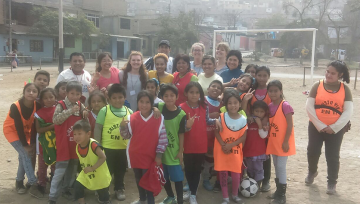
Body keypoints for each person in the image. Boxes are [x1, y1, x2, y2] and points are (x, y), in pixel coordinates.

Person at [305, 60, 353, 195]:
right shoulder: (317, 85)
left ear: (340, 75)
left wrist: (334, 127)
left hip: (335, 130)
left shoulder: (345, 89)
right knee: (312, 151)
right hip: (316, 127)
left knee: (332, 156)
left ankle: (332, 182)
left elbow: (348, 111)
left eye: (333, 73)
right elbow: (309, 107)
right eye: (327, 71)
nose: (329, 75)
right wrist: (320, 125)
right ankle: (312, 171)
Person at [120, 90, 168, 204]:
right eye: (141, 102)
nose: (144, 105)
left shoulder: (158, 118)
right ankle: (142, 199)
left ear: (152, 104)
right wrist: (122, 127)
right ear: (137, 103)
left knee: (149, 181)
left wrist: (159, 155)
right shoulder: (132, 117)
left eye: (147, 102)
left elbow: (163, 139)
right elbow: (126, 135)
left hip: (150, 157)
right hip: (135, 155)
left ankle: (150, 201)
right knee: (138, 179)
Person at [180, 82, 220, 204]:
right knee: (188, 169)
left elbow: (207, 120)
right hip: (187, 145)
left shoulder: (204, 106)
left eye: (197, 92)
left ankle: (193, 194)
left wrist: (216, 120)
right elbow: (181, 129)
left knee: (197, 170)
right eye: (191, 92)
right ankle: (190, 189)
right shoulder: (181, 108)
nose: (194, 95)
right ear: (186, 93)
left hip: (201, 144)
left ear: (200, 94)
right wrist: (187, 126)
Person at [49, 81, 88, 204]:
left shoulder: (80, 105)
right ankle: (52, 197)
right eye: (72, 93)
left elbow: (85, 118)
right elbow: (56, 120)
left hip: (75, 145)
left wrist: (85, 113)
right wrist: (70, 111)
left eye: (77, 94)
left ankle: (66, 190)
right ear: (66, 93)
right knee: (59, 172)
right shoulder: (60, 105)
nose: (74, 96)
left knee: (72, 171)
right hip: (64, 145)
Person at [3, 83, 43, 198]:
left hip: (26, 133)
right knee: (26, 154)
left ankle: (19, 182)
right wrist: (25, 145)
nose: (31, 93)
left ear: (37, 94)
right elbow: (18, 127)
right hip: (12, 131)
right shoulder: (15, 106)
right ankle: (32, 182)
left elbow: (35, 125)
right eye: (28, 90)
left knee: (23, 157)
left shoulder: (37, 105)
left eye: (34, 91)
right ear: (24, 92)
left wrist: (32, 142)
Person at [94, 84, 132, 201]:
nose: (117, 100)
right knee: (107, 171)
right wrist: (97, 146)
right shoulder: (104, 110)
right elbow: (98, 128)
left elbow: (133, 131)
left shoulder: (129, 111)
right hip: (107, 148)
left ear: (124, 97)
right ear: (109, 99)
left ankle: (119, 188)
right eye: (114, 98)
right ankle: (102, 189)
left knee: (120, 170)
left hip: (123, 148)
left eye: (120, 97)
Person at [214, 89, 247, 204]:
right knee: (223, 174)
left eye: (235, 102)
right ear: (226, 105)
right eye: (230, 103)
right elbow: (216, 132)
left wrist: (231, 146)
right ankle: (225, 197)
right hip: (221, 150)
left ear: (239, 103)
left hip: (235, 151)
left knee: (236, 174)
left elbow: (243, 137)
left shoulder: (243, 119)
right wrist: (223, 145)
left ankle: (235, 195)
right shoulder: (222, 116)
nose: (233, 105)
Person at [242, 66, 272, 192]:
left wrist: (264, 122)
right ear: (256, 76)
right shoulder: (251, 90)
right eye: (259, 75)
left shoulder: (270, 90)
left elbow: (272, 108)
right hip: (252, 127)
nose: (261, 78)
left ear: (268, 77)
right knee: (251, 152)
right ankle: (251, 179)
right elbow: (246, 109)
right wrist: (249, 117)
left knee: (265, 154)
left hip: (265, 127)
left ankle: (265, 181)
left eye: (265, 76)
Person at [156, 84, 187, 204]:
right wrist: (155, 109)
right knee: (164, 178)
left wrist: (180, 152)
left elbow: (181, 134)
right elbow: (150, 107)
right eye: (166, 96)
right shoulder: (159, 106)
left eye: (172, 95)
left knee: (178, 179)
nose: (169, 98)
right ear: (162, 97)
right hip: (160, 151)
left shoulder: (181, 114)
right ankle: (170, 196)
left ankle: (180, 200)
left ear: (177, 97)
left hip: (174, 153)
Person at [266, 80, 296, 204]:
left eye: (276, 91)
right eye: (271, 91)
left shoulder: (285, 105)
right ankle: (278, 191)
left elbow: (289, 125)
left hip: (283, 142)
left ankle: (282, 195)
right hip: (273, 142)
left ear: (281, 91)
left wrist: (285, 141)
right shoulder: (269, 106)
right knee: (276, 166)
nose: (273, 93)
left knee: (281, 167)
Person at [73, 120, 112, 204]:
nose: (76, 137)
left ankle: (104, 198)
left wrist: (92, 168)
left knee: (104, 200)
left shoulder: (94, 145)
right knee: (77, 185)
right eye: (74, 134)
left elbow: (103, 157)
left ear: (88, 134)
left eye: (79, 134)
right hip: (87, 174)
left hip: (100, 176)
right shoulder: (77, 146)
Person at [34, 88, 57, 197]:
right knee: (42, 165)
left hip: (57, 143)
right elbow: (39, 130)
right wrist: (53, 126)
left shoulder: (59, 110)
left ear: (55, 97)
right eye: (45, 98)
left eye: (51, 97)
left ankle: (54, 182)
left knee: (55, 164)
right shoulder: (38, 114)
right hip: (44, 144)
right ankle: (41, 184)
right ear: (42, 100)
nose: (48, 100)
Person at [202, 80, 223, 191]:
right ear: (208, 88)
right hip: (202, 135)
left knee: (210, 159)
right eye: (213, 86)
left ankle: (206, 179)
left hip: (214, 135)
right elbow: (198, 116)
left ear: (221, 91)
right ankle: (192, 181)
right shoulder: (202, 100)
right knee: (198, 158)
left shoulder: (222, 103)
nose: (215, 89)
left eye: (218, 87)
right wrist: (210, 115)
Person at [243, 100, 269, 186]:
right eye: (256, 111)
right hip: (248, 150)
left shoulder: (265, 123)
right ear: (252, 111)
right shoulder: (249, 121)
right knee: (249, 169)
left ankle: (257, 185)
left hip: (259, 152)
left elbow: (263, 136)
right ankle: (251, 184)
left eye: (261, 112)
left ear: (265, 113)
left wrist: (260, 125)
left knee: (258, 169)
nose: (258, 114)